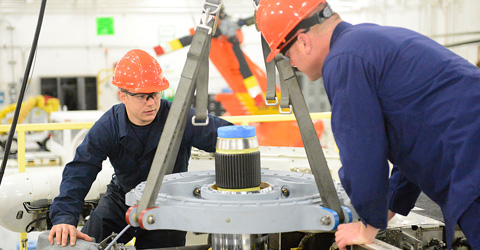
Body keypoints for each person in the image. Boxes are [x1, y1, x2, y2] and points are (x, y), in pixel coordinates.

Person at [256, 0, 480, 249]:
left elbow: (362, 152)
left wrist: (367, 227)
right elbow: (414, 140)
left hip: (471, 165)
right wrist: (388, 208)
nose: (293, 65)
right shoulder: (367, 41)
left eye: (287, 56)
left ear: (303, 41)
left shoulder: (343, 61)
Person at [48, 49, 232, 248]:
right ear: (123, 96)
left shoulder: (179, 118)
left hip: (167, 204)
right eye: (142, 96)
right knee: (88, 243)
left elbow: (226, 135)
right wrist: (64, 216)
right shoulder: (108, 126)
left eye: (155, 94)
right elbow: (80, 169)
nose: (151, 103)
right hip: (121, 200)